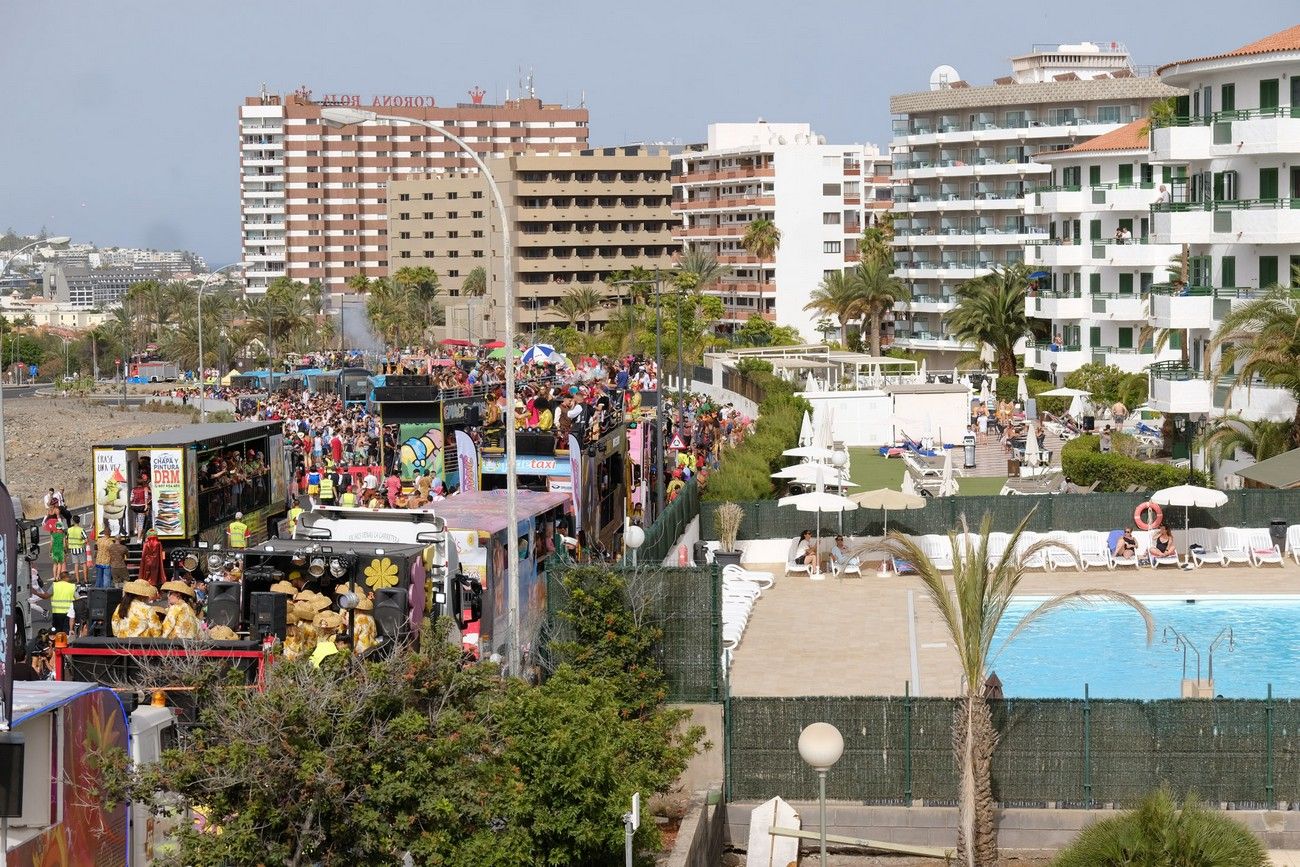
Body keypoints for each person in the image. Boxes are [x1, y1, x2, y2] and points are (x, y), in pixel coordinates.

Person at [48, 570, 77, 634]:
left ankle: (57, 643)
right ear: (66, 578)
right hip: (68, 613)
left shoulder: (54, 585)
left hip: (56, 612)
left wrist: (36, 593)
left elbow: (45, 596)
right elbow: (78, 599)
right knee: (67, 632)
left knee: (56, 632)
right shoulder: (72, 586)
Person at [66, 515, 87, 586]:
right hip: (81, 548)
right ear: (79, 521)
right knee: (84, 564)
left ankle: (78, 580)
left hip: (73, 549)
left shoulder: (69, 530)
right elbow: (86, 540)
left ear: (73, 521)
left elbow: (66, 538)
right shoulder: (81, 530)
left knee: (76, 565)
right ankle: (85, 580)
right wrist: (82, 542)